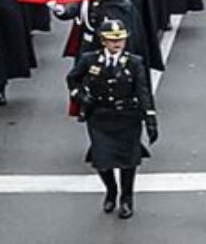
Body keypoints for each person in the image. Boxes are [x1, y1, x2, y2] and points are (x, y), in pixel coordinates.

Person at [66, 19, 158, 220]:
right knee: (102, 160)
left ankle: (126, 197)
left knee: (128, 161)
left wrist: (150, 118)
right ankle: (111, 190)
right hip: (100, 116)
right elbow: (73, 78)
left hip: (127, 116)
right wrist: (80, 96)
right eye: (111, 40)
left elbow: (143, 91)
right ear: (103, 41)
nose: (117, 44)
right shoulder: (89, 60)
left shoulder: (134, 62)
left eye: (121, 40)